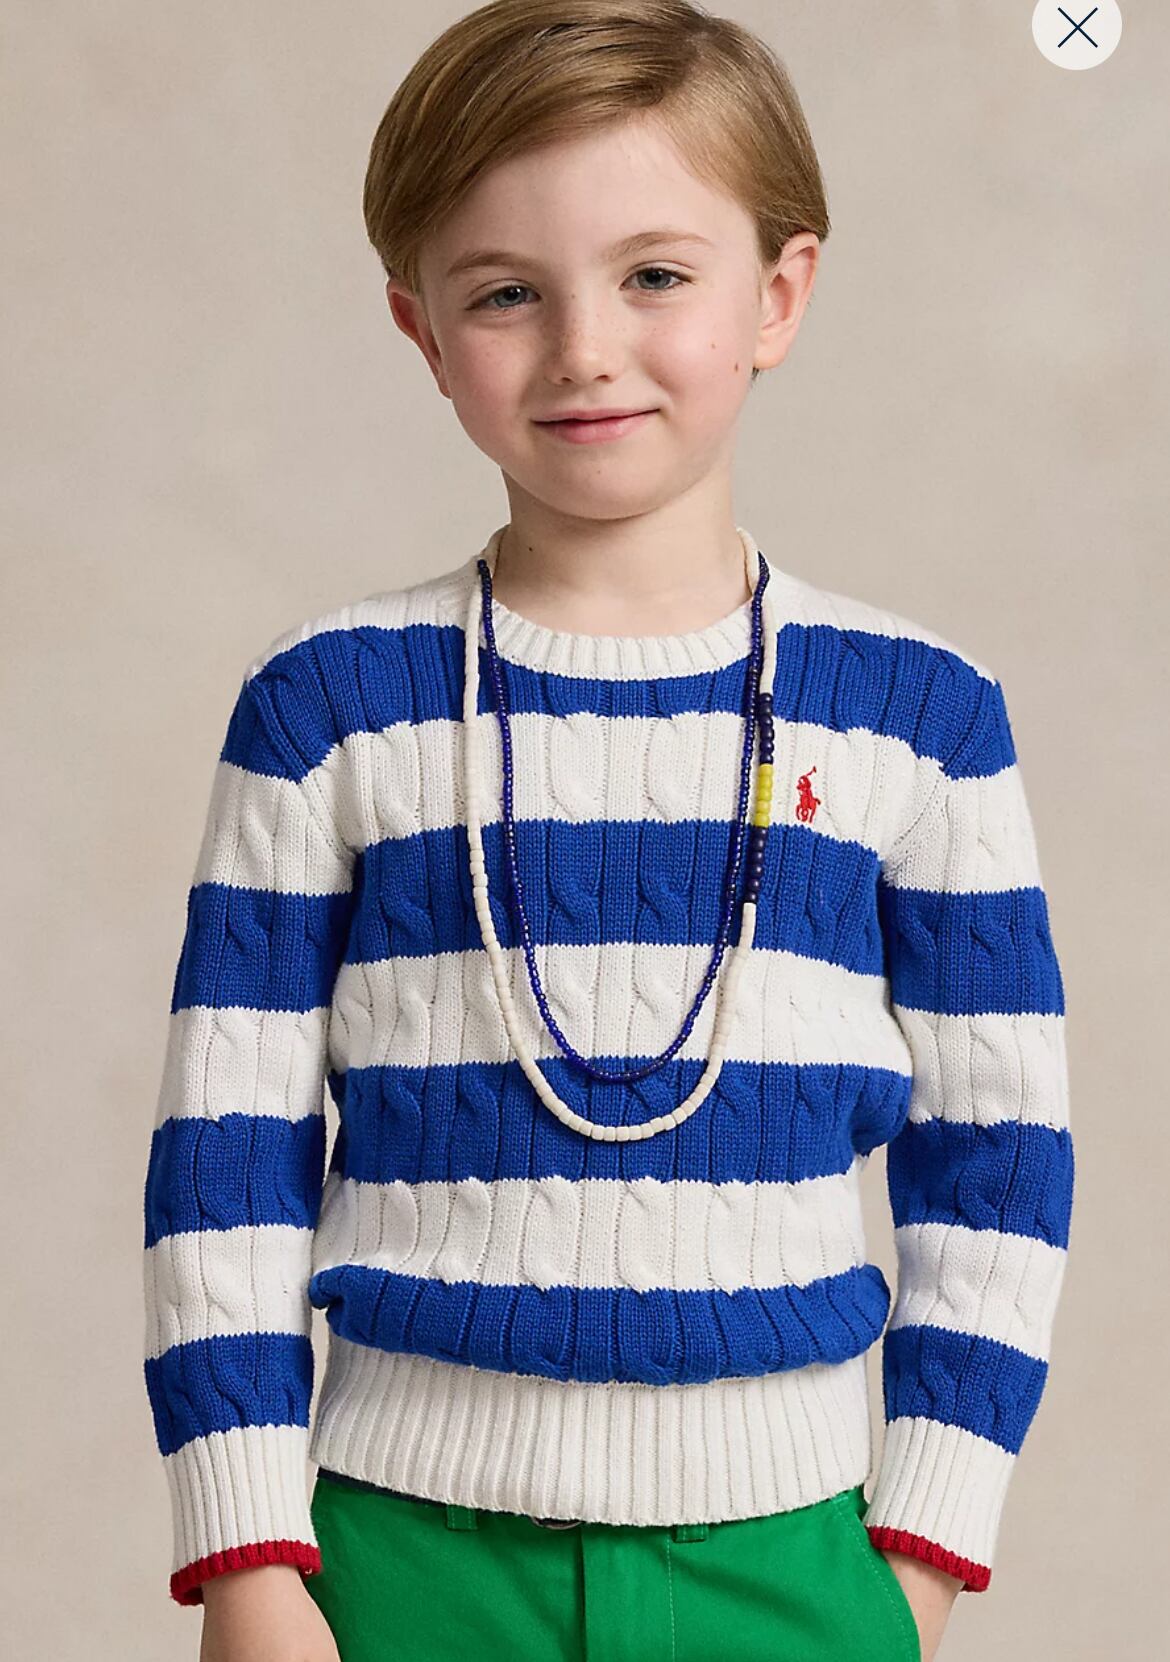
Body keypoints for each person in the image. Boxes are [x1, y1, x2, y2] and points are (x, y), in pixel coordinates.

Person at [141, 3, 1074, 1659]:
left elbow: (999, 1156)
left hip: (794, 1558)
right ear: (422, 330)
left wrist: (922, 1550)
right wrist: (246, 1554)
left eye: (654, 274)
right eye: (506, 291)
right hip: (393, 1553)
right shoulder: (328, 706)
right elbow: (226, 1152)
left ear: (776, 293)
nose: (582, 346)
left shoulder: (921, 716)